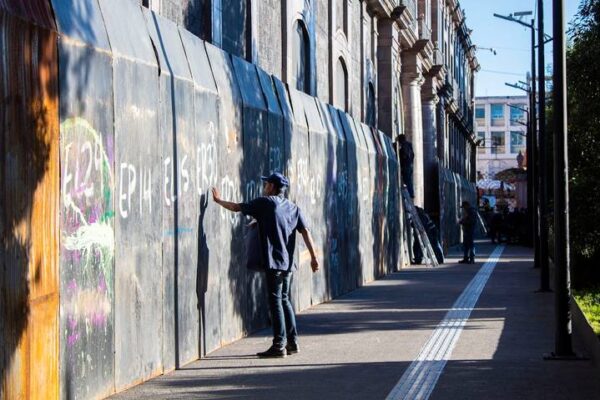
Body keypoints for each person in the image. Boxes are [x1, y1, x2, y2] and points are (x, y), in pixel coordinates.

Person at [211, 172, 319, 358]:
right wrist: (314, 257)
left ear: (272, 186)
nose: (264, 187)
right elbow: (305, 232)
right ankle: (292, 343)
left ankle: (279, 345)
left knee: (276, 301)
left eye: (266, 184)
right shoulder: (293, 207)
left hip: (274, 262)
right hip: (287, 264)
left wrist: (218, 201)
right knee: (285, 300)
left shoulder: (265, 203)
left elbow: (237, 207)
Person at [397, 134, 415, 198]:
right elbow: (413, 155)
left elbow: (404, 156)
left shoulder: (404, 146)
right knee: (409, 180)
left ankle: (409, 194)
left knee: (407, 181)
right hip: (410, 166)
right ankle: (411, 193)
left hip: (405, 167)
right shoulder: (409, 145)